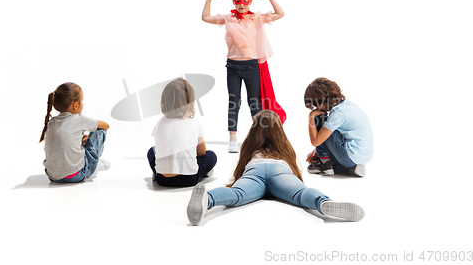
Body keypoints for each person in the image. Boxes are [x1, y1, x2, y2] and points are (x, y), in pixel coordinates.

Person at [186, 110, 365, 226]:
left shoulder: (250, 147)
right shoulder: (283, 148)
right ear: (279, 131)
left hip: (254, 170)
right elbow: (295, 170)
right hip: (280, 171)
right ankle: (324, 203)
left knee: (237, 194)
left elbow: (241, 168)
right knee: (302, 194)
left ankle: (207, 199)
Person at [202, 0, 285, 153]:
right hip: (232, 66)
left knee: (254, 104)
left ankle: (259, 138)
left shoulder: (256, 18)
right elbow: (205, 17)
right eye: (238, 1)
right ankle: (233, 139)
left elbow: (280, 13)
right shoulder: (228, 18)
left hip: (251, 66)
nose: (241, 4)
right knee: (234, 102)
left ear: (250, 2)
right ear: (234, 1)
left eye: (245, 1)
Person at [147, 78, 217, 187]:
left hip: (162, 179)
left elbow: (161, 147)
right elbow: (202, 152)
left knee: (151, 151)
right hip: (189, 179)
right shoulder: (195, 123)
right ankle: (203, 173)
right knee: (211, 155)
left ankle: (157, 172)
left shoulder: (159, 123)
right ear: (190, 102)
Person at [40, 82, 110, 183]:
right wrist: (91, 137)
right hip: (76, 175)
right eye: (82, 100)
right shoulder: (79, 119)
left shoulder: (50, 123)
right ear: (75, 105)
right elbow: (106, 126)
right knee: (100, 131)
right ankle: (95, 162)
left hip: (53, 176)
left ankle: (83, 159)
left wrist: (79, 140)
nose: (83, 103)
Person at [304, 77, 373, 177]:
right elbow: (334, 134)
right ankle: (350, 169)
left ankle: (324, 164)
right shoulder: (346, 105)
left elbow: (315, 141)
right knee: (314, 155)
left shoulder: (338, 113)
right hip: (361, 156)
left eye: (316, 105)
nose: (317, 108)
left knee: (320, 119)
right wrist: (316, 150)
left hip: (349, 156)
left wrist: (311, 116)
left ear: (323, 102)